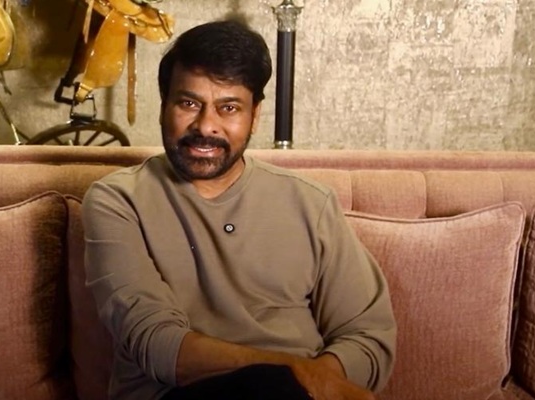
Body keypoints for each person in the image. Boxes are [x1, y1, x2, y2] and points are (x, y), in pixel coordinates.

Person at [82, 18, 396, 400]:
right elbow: (157, 343)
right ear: (163, 105)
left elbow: (368, 335)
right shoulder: (118, 201)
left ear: (255, 115)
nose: (206, 126)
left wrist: (317, 382)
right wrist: (297, 373)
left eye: (228, 107)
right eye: (188, 103)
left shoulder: (311, 204)